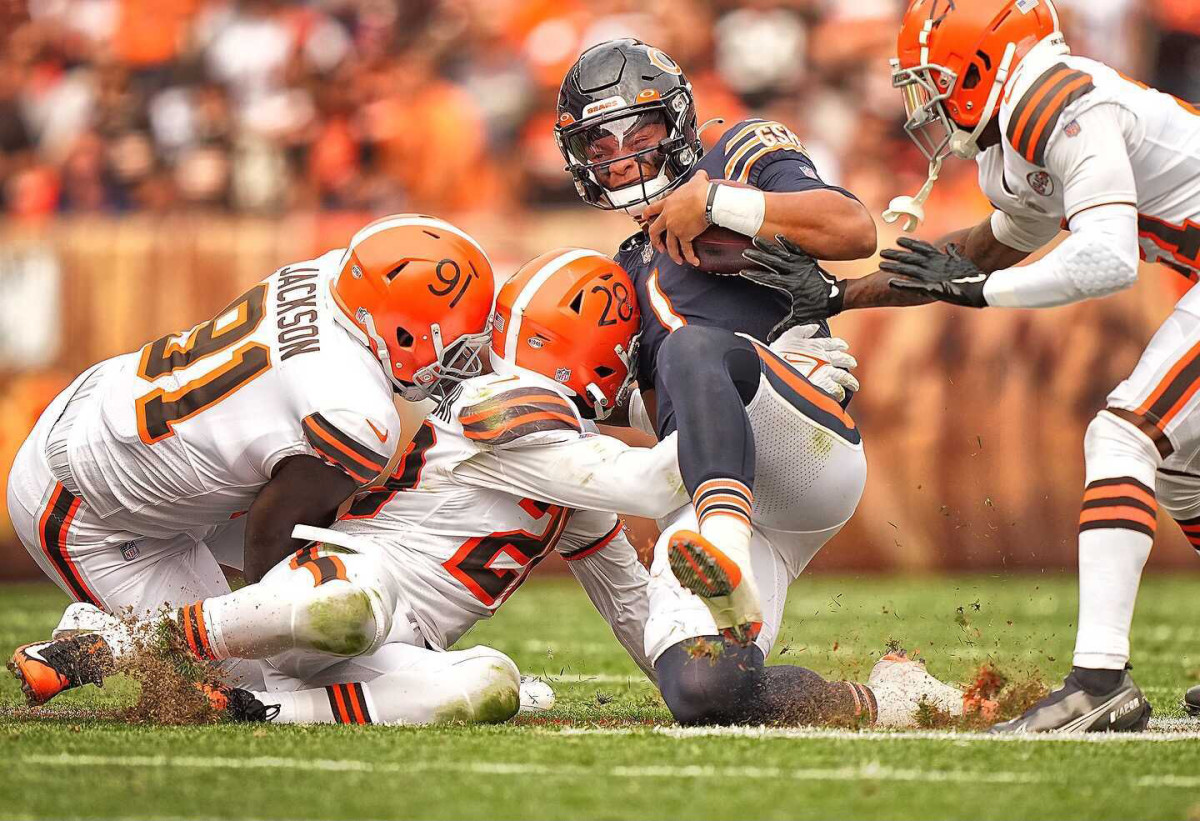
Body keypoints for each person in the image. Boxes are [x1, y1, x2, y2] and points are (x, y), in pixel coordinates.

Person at [13, 249, 965, 728]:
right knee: (348, 603)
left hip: (386, 647)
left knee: (495, 685)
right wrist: (754, 385)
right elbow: (642, 478)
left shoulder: (567, 447)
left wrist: (701, 665)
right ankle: (132, 641)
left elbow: (632, 606)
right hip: (337, 584)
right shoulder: (503, 406)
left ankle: (246, 704)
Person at [744, 0, 1200, 732]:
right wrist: (841, 292)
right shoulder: (1015, 137)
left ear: (981, 66)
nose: (920, 98)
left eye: (932, 78)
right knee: (1177, 469)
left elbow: (1108, 258)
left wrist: (979, 294)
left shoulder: (1059, 100)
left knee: (1123, 436)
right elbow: (976, 254)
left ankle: (1099, 682)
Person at [552, 40, 977, 727]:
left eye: (641, 133)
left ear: (679, 125)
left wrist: (718, 201)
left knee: (694, 350)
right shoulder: (622, 271)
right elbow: (651, 412)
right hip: (723, 478)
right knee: (703, 692)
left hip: (798, 441)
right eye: (601, 145)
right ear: (582, 161)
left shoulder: (738, 152)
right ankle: (889, 698)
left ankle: (720, 540)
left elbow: (852, 227)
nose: (624, 158)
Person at [7, 214, 495, 703]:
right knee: (262, 680)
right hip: (91, 508)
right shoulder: (354, 413)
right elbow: (272, 549)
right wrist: (293, 632)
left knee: (335, 551)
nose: (461, 358)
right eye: (454, 341)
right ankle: (102, 636)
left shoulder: (329, 277)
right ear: (404, 334)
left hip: (113, 409)